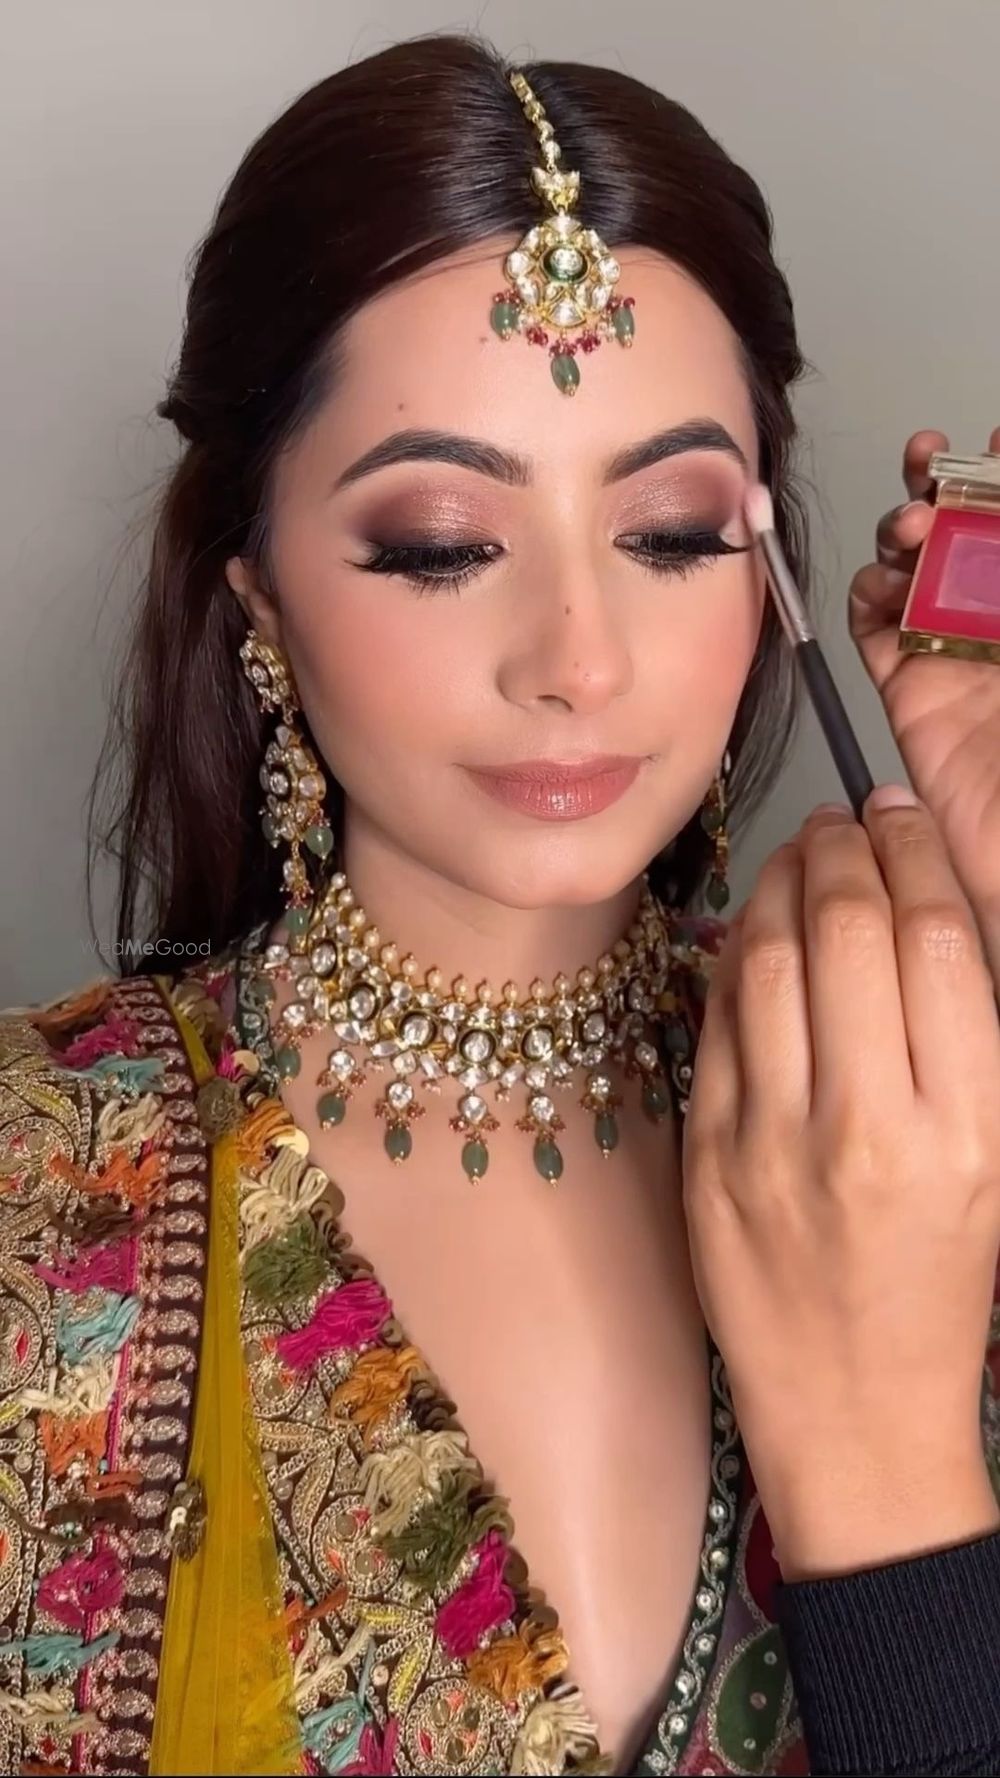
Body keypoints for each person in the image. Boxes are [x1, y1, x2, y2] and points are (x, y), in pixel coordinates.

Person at [1, 32, 998, 1778]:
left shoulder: (940, 1109)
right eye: (444, 543)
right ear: (259, 591)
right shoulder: (39, 1184)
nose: (577, 660)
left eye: (672, 533)